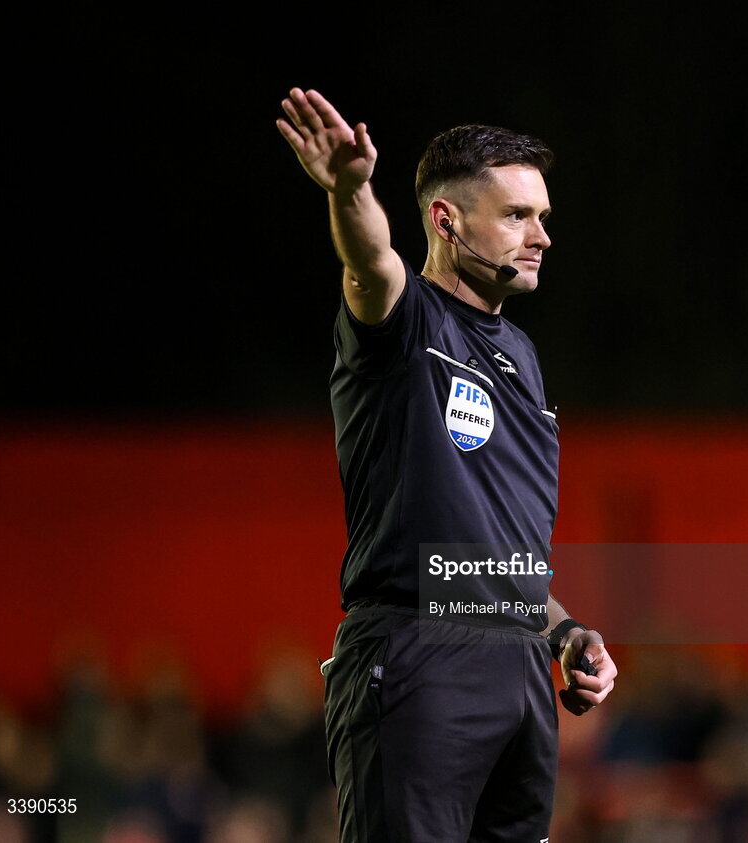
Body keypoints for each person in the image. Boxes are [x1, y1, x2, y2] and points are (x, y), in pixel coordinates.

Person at [276, 87, 617, 842]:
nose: (541, 236)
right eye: (518, 216)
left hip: (522, 671)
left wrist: (565, 634)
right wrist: (350, 190)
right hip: (419, 652)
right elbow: (369, 259)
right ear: (446, 219)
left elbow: (494, 553)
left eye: (544, 217)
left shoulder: (523, 357)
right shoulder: (403, 322)